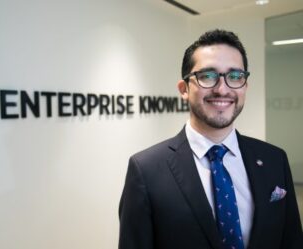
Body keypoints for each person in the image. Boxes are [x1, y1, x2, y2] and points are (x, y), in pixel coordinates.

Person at [118, 29, 303, 249]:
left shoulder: (274, 159)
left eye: (235, 76)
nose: (223, 89)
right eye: (207, 76)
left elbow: (292, 240)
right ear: (184, 89)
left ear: (245, 86)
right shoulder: (146, 170)